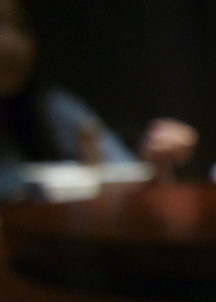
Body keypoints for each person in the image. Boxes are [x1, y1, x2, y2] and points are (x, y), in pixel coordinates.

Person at [0, 0, 197, 200]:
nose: (13, 45)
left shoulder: (52, 107)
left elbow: (126, 177)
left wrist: (154, 164)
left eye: (20, 26)